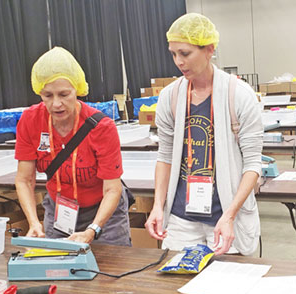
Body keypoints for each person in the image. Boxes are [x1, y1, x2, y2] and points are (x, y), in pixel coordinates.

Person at [145, 13, 263, 255]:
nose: (178, 62)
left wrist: (230, 215)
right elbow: (165, 156)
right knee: (176, 287)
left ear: (209, 49)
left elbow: (252, 164)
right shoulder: (170, 96)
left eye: (185, 53)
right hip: (181, 218)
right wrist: (157, 205)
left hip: (225, 216)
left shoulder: (238, 94)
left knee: (225, 287)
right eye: (174, 54)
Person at [15, 46, 131, 246]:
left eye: (64, 94)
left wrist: (92, 230)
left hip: (104, 212)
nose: (56, 104)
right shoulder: (30, 120)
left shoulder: (101, 127)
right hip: (60, 211)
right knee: (58, 269)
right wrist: (33, 222)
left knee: (112, 268)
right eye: (47, 96)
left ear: (77, 90)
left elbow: (112, 189)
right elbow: (24, 180)